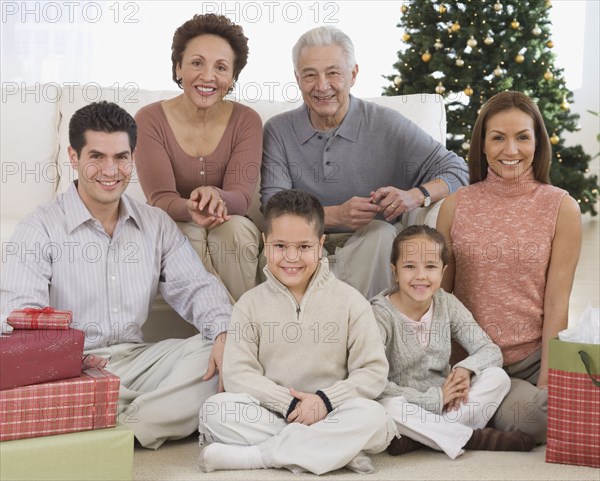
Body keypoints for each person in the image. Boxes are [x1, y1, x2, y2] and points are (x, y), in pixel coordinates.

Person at [0, 101, 233, 450]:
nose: (110, 170)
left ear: (133, 157)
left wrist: (224, 333)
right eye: (97, 156)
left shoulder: (155, 224)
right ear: (73, 157)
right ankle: (139, 417)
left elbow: (198, 288)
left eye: (121, 157)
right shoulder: (39, 228)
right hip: (70, 370)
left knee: (217, 353)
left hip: (137, 359)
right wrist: (67, 359)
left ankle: (111, 425)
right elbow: (18, 319)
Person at [260, 26, 468, 299]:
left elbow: (458, 169)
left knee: (382, 233)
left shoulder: (386, 124)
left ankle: (369, 332)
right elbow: (273, 208)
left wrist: (416, 196)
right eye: (310, 75)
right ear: (297, 79)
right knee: (283, 243)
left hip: (369, 243)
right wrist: (335, 215)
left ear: (353, 75)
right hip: (304, 242)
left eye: (333, 73)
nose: (322, 86)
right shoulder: (279, 130)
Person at [197, 189, 395, 475]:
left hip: (333, 412)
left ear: (321, 244)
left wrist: (324, 402)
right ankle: (337, 452)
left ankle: (258, 457)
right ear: (265, 244)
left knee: (376, 419)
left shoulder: (352, 302)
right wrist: (288, 403)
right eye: (280, 246)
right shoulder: (249, 305)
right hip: (274, 413)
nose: (291, 257)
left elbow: (373, 372)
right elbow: (239, 374)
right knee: (215, 411)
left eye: (304, 247)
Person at [436, 91, 582, 444]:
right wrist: (440, 372)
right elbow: (438, 299)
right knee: (536, 422)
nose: (511, 150)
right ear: (482, 144)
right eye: (498, 137)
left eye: (522, 137)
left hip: (530, 361)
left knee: (543, 417)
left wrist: (547, 381)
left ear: (538, 142)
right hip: (471, 361)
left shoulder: (562, 208)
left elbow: (556, 303)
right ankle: (470, 419)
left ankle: (463, 425)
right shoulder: (455, 206)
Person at [372, 225, 535, 459]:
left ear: (443, 271)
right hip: (405, 404)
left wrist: (466, 369)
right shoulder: (379, 315)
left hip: (448, 406)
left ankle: (423, 438)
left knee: (497, 377)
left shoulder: (447, 304)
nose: (421, 276)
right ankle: (473, 437)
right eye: (409, 266)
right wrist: (434, 399)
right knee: (385, 406)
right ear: (395, 271)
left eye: (430, 267)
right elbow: (373, 382)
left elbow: (489, 350)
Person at [135, 14, 263, 302]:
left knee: (235, 231)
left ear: (231, 78)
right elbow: (160, 199)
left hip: (230, 219)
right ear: (178, 68)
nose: (208, 76)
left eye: (220, 67)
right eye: (196, 63)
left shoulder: (246, 121)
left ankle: (231, 332)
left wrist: (214, 196)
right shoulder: (149, 120)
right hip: (173, 220)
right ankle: (236, 330)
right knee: (187, 235)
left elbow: (240, 199)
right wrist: (192, 207)